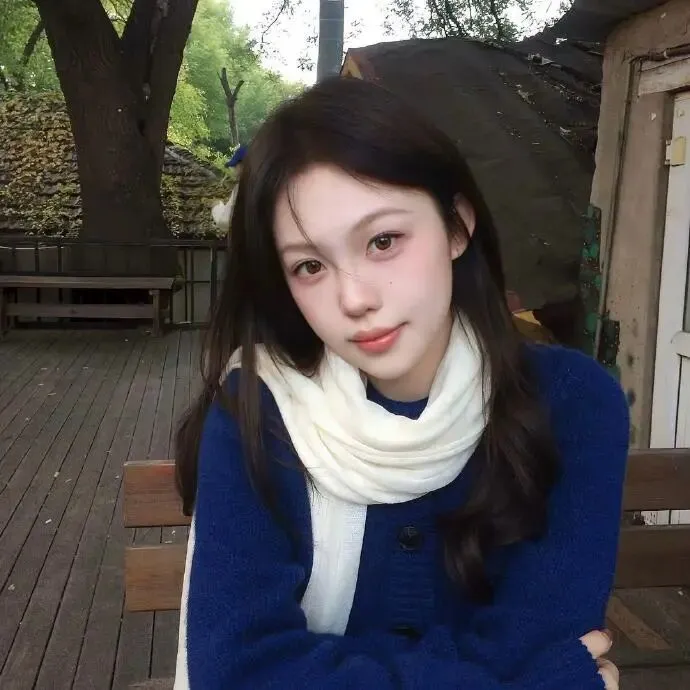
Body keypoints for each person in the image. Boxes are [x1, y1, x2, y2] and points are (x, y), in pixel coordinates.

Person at [174, 77, 628, 690]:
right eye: (309, 266)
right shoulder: (259, 410)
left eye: (383, 241)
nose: (354, 298)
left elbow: (548, 637)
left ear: (457, 227)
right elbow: (237, 671)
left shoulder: (572, 404)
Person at [210, 144, 248, 232]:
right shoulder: (266, 184)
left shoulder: (242, 188)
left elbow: (225, 222)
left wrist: (216, 207)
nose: (233, 169)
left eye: (235, 165)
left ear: (243, 165)